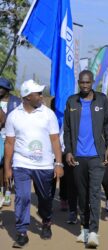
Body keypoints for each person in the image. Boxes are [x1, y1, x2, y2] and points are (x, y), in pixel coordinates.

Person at [4, 80, 63, 248]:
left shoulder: (48, 114)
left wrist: (58, 163)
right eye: (38, 93)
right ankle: (22, 232)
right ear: (28, 97)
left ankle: (46, 221)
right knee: (22, 197)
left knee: (45, 197)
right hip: (21, 163)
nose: (41, 96)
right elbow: (9, 143)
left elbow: (55, 140)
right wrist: (7, 168)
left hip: (44, 164)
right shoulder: (14, 116)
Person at [64, 70, 108, 248]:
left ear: (93, 82)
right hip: (78, 156)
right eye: (82, 83)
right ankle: (84, 228)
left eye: (88, 82)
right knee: (82, 194)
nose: (85, 86)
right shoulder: (72, 101)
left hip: (96, 156)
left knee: (94, 193)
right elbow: (67, 129)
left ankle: (93, 231)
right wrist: (68, 151)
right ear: (79, 83)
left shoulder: (101, 100)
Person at [0, 77, 21, 207]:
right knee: (0, 165)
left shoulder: (16, 102)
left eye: (1, 88)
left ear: (7, 89)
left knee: (9, 164)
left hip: (12, 138)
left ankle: (7, 191)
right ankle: (2, 190)